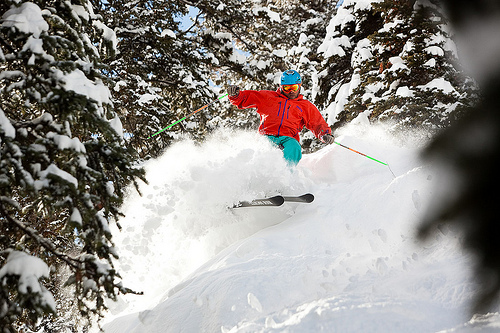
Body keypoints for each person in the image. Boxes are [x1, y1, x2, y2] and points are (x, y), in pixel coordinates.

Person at [227, 69, 334, 166]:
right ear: (281, 87)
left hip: (288, 138)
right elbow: (247, 98)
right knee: (265, 148)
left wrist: (325, 134)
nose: (291, 91)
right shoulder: (268, 97)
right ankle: (259, 174)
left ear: (299, 86)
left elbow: (317, 123)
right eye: (287, 88)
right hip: (267, 135)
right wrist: (236, 95)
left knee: (294, 148)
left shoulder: (305, 106)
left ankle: (285, 176)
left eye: (294, 87)